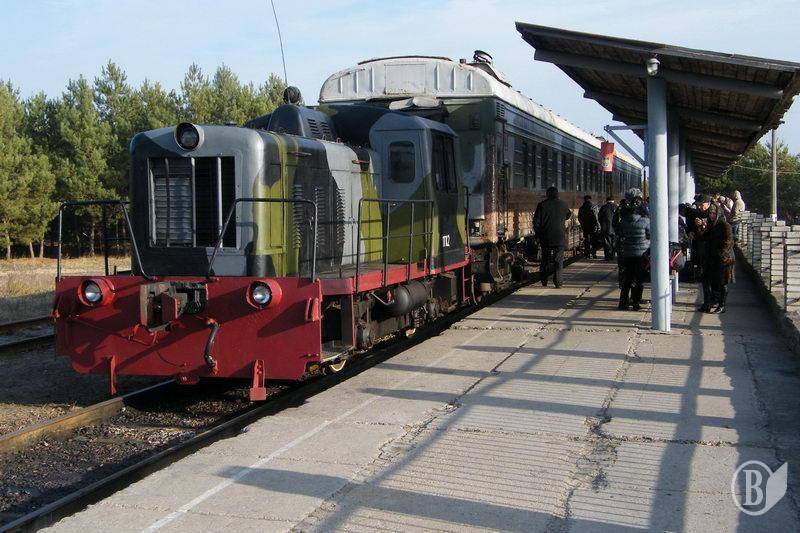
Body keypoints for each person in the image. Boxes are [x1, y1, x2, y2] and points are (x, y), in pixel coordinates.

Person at [697, 203, 735, 313]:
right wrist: (700, 227)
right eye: (710, 213)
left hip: (723, 259)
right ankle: (708, 304)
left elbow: (729, 242)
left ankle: (721, 305)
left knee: (722, 282)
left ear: (718, 213)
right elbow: (703, 237)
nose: (711, 215)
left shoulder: (724, 225)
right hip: (711, 258)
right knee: (707, 280)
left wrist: (721, 254)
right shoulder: (711, 224)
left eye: (713, 213)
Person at [617, 189, 650, 310]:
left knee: (627, 278)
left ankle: (622, 302)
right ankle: (636, 302)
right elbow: (650, 235)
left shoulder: (624, 220)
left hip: (627, 253)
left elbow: (620, 233)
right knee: (639, 279)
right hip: (642, 254)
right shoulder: (645, 221)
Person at [533, 186, 571, 288]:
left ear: (547, 194)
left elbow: (536, 222)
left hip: (545, 237)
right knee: (558, 261)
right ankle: (558, 282)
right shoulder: (563, 204)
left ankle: (544, 280)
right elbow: (568, 215)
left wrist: (538, 234)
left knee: (545, 259)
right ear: (557, 194)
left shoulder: (542, 205)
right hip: (559, 237)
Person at [598, 196, 617, 261]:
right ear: (613, 200)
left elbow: (599, 218)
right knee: (614, 243)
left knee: (606, 243)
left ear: (606, 200)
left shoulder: (603, 207)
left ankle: (607, 257)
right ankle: (612, 256)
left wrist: (602, 224)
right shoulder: (616, 207)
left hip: (605, 228)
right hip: (615, 229)